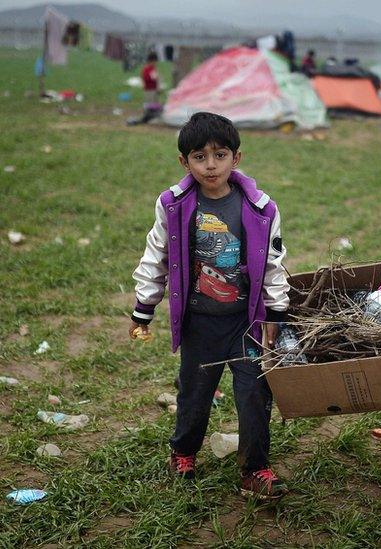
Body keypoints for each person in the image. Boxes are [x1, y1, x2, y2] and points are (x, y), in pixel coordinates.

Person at [130, 112, 291, 500]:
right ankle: (183, 452)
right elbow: (158, 254)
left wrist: (276, 312)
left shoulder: (261, 208)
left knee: (254, 393)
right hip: (199, 323)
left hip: (246, 323)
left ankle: (255, 469)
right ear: (184, 162)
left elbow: (273, 263)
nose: (211, 165)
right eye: (200, 157)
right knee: (195, 392)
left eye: (220, 155)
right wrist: (143, 308)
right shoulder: (174, 204)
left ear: (237, 158)